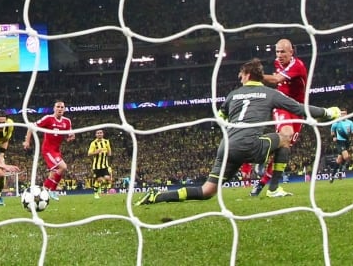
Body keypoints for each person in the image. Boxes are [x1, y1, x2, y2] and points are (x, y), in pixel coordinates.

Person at [135, 58, 340, 205]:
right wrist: (329, 112)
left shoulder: (232, 94)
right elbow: (299, 109)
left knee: (207, 191)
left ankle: (157, 197)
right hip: (250, 145)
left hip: (227, 147)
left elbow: (220, 119)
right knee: (285, 139)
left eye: (240, 75)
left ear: (248, 74)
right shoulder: (270, 93)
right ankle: (274, 188)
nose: (239, 78)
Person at [250, 38, 308, 197]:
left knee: (285, 148)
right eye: (277, 51)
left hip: (297, 109)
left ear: (291, 52)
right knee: (286, 135)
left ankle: (268, 187)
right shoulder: (277, 62)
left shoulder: (298, 65)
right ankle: (262, 153)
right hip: (281, 105)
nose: (279, 55)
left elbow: (276, 79)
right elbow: (276, 80)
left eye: (283, 51)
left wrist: (254, 76)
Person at [23, 100, 75, 201]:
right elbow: (31, 127)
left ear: (64, 109)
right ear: (54, 108)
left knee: (53, 173)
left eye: (62, 107)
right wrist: (27, 141)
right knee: (63, 167)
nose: (60, 109)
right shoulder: (48, 118)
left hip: (56, 150)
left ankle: (44, 191)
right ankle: (53, 190)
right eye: (58, 107)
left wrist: (71, 137)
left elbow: (69, 135)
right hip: (48, 149)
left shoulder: (67, 121)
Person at [330, 110, 353, 183]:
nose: (343, 115)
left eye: (344, 113)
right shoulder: (337, 123)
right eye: (341, 114)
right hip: (340, 142)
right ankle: (340, 172)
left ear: (347, 114)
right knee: (346, 157)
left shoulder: (350, 122)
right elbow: (332, 131)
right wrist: (334, 137)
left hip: (347, 142)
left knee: (339, 160)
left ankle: (332, 176)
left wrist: (352, 132)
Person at [88, 129, 113, 199]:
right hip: (96, 166)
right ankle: (96, 193)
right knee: (99, 180)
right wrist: (96, 152)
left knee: (108, 178)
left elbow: (109, 153)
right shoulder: (93, 143)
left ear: (103, 134)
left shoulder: (106, 142)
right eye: (98, 133)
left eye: (100, 133)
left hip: (105, 165)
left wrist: (108, 152)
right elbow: (89, 153)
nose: (99, 134)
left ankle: (100, 187)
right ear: (96, 135)